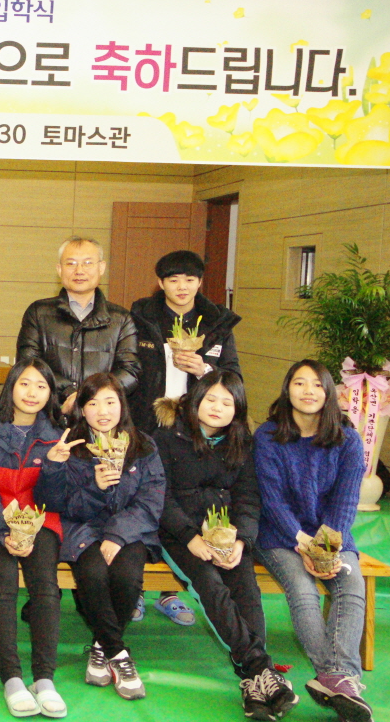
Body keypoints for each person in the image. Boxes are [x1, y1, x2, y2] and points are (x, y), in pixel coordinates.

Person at [154, 371, 297, 720]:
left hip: (227, 534)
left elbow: (248, 497)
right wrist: (190, 538)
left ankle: (253, 684)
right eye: (211, 399)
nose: (217, 408)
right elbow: (159, 496)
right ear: (195, 400)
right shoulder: (167, 438)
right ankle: (262, 668)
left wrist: (242, 540)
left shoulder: (242, 443)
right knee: (211, 587)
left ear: (238, 409)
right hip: (179, 536)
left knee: (247, 590)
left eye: (227, 402)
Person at [130, 249, 241, 626]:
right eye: (173, 280)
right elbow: (127, 369)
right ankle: (135, 587)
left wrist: (204, 369)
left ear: (200, 283)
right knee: (142, 501)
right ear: (160, 283)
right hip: (147, 424)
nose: (182, 287)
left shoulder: (217, 323)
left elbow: (234, 379)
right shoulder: (142, 318)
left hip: (193, 430)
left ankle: (169, 592)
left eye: (190, 280)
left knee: (180, 502)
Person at [35, 372, 163, 702]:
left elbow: (150, 501)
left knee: (127, 577)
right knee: (92, 573)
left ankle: (100, 646)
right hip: (83, 528)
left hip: (130, 530)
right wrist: (95, 487)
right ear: (82, 409)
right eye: (92, 403)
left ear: (122, 405)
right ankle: (118, 653)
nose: (102, 411)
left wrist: (118, 535)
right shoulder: (73, 445)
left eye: (110, 402)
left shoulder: (143, 445)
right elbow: (59, 504)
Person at [255, 360, 371, 722]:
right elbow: (272, 500)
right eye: (300, 383)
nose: (308, 391)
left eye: (317, 384)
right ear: (287, 389)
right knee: (303, 589)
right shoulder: (268, 436)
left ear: (329, 392)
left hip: (331, 536)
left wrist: (324, 549)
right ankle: (338, 680)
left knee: (351, 584)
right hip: (279, 534)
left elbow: (345, 501)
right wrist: (303, 542)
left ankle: (337, 679)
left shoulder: (347, 439)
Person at [0, 358, 67, 718]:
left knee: (45, 586)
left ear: (50, 393)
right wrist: (1, 531)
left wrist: (54, 466)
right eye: (24, 383)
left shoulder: (58, 434)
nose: (32, 392)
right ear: (11, 386)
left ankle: (44, 679)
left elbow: (57, 499)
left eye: (41, 386)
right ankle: (11, 678)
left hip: (41, 518)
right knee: (4, 580)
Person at [15, 236, 139, 423]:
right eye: (71, 263)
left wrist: (89, 397)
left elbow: (130, 371)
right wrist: (69, 393)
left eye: (87, 263)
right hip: (49, 417)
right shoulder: (38, 312)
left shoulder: (121, 318)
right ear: (59, 270)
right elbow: (28, 363)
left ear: (101, 268)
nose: (79, 270)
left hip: (102, 419)